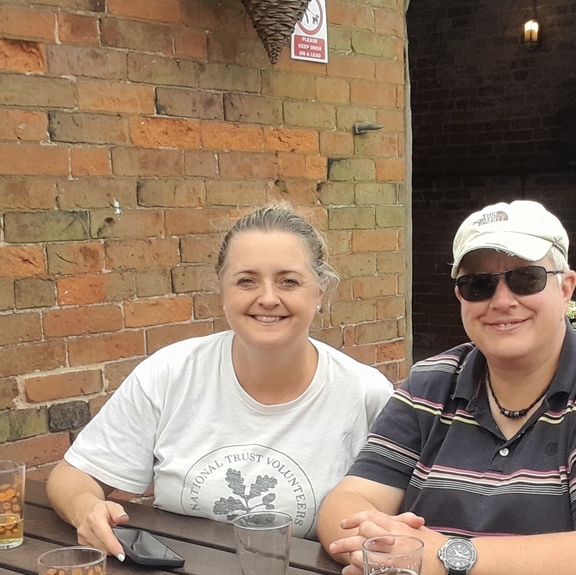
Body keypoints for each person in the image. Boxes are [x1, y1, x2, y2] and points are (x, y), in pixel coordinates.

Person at [317, 200, 576, 575]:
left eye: (525, 279)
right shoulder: (431, 384)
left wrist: (447, 559)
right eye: (479, 284)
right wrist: (378, 547)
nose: (502, 300)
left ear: (566, 288)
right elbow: (349, 500)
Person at [47, 203, 394, 555]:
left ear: (320, 291)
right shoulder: (171, 373)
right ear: (223, 291)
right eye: (246, 281)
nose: (268, 298)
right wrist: (86, 510)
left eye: (289, 281)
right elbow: (73, 475)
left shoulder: (366, 394)